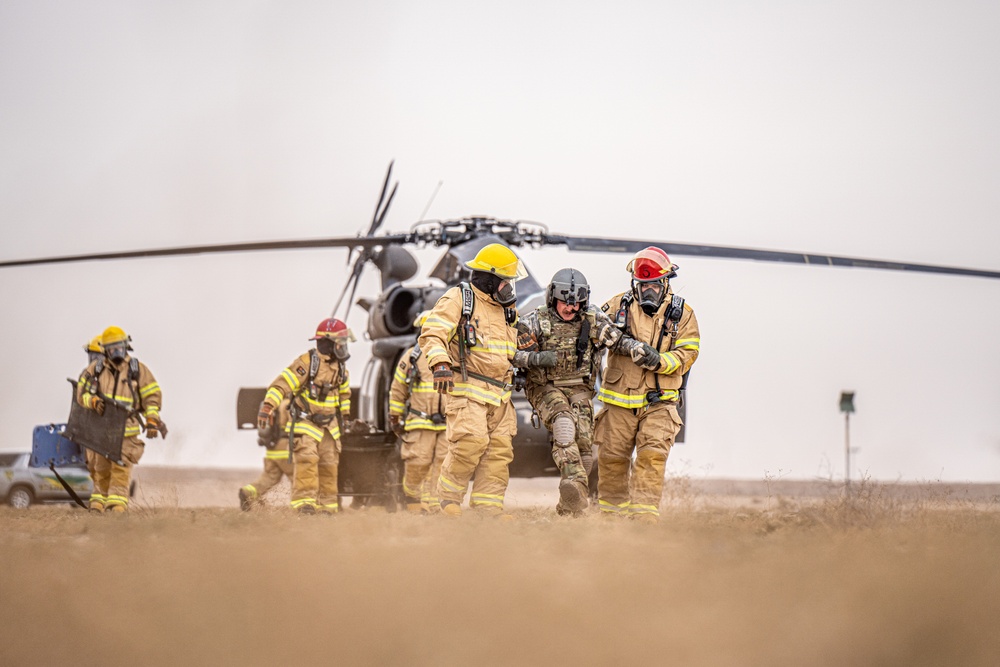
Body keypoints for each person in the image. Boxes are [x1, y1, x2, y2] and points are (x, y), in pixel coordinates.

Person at [418, 243, 553, 517]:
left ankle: (487, 509)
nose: (509, 287)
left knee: (499, 453)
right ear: (490, 278)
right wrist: (440, 362)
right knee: (470, 443)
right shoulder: (459, 299)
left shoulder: (506, 309)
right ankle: (448, 501)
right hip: (469, 390)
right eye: (505, 281)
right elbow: (432, 333)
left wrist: (527, 349)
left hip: (501, 395)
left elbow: (506, 348)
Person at [517, 268, 661, 516]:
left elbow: (616, 340)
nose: (571, 309)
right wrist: (537, 358)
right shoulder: (533, 321)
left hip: (580, 388)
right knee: (564, 425)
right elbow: (511, 355)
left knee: (585, 448)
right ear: (553, 298)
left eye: (576, 304)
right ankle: (576, 484)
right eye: (565, 303)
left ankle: (569, 505)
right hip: (545, 387)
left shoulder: (591, 319)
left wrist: (638, 349)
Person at [596, 247, 701, 522]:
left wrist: (660, 361)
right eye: (643, 286)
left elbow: (689, 353)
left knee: (651, 458)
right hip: (618, 403)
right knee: (611, 460)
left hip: (660, 403)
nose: (648, 292)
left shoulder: (683, 315)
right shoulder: (617, 305)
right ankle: (611, 520)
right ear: (634, 284)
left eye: (653, 285)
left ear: (665, 283)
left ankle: (643, 520)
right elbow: (592, 331)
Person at [257, 318, 352, 514]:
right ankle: (305, 508)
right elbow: (281, 384)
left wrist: (345, 417)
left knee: (329, 467)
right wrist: (268, 406)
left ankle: (329, 509)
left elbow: (344, 395)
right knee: (307, 463)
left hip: (330, 428)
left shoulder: (341, 369)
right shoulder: (307, 363)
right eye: (340, 342)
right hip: (306, 424)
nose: (343, 346)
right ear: (328, 342)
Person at [76, 326, 164, 513]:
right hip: (101, 432)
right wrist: (91, 401)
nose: (116, 352)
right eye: (112, 349)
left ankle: (117, 508)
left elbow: (152, 397)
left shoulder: (138, 370)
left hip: (127, 431)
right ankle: (98, 506)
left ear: (126, 346)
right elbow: (80, 394)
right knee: (100, 471)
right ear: (105, 350)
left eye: (119, 347)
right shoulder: (95, 370)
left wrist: (152, 420)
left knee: (120, 470)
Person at [389, 311, 449, 513]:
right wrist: (395, 418)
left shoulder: (454, 355)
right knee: (419, 462)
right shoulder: (412, 357)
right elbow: (398, 389)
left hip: (447, 423)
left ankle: (433, 505)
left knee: (443, 464)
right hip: (420, 421)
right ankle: (412, 495)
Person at [238, 397, 294, 511]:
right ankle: (300, 507)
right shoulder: (288, 405)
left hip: (272, 450)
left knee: (268, 478)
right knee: (299, 480)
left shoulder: (273, 405)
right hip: (286, 449)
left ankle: (247, 492)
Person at [78, 335, 108, 512]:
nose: (92, 360)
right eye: (91, 356)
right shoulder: (87, 375)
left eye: (96, 356)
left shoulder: (114, 378)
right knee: (93, 466)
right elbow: (80, 397)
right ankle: (99, 503)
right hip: (91, 432)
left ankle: (108, 504)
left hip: (107, 433)